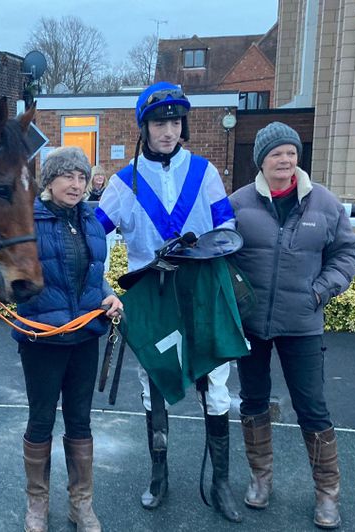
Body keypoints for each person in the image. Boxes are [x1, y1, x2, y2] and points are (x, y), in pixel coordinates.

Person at [0, 146, 123, 532]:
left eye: (82, 177)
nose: (76, 184)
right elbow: (5, 271)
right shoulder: (28, 219)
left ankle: (82, 505)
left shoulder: (92, 221)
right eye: (68, 176)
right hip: (41, 339)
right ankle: (37, 506)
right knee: (41, 420)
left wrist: (108, 294)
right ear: (49, 180)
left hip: (85, 336)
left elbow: (92, 275)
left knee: (80, 421)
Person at [94, 81, 242, 522]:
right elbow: (92, 234)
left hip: (201, 290)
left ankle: (220, 483)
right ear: (145, 127)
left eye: (175, 121)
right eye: (159, 122)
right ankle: (159, 476)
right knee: (154, 382)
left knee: (216, 383)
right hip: (152, 293)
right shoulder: (123, 183)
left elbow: (228, 227)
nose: (168, 130)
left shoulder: (205, 171)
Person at [229, 122, 355, 529]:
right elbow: (221, 255)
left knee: (312, 408)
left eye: (290, 153)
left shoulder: (324, 203)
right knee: (253, 402)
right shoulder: (237, 203)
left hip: (302, 323)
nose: (284, 161)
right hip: (251, 324)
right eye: (275, 155)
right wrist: (235, 295)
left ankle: (326, 495)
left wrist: (320, 291)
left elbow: (346, 254)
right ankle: (260, 480)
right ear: (261, 161)